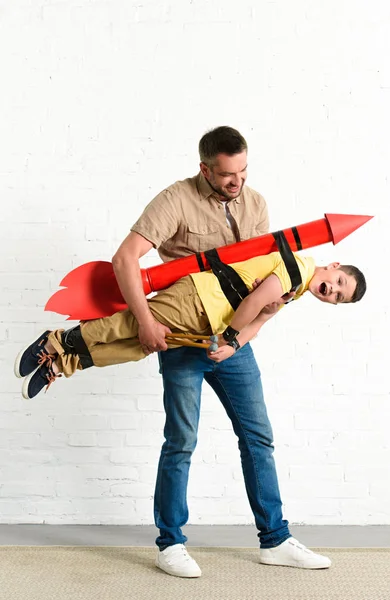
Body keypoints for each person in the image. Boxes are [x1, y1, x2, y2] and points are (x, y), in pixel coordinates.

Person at [25, 126, 350, 577]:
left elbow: (262, 281)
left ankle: (274, 539)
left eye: (243, 171)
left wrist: (249, 328)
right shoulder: (175, 199)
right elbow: (126, 259)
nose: (237, 182)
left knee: (258, 437)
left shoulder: (254, 203)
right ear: (205, 169)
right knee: (181, 440)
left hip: (230, 340)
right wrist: (145, 319)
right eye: (227, 175)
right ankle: (171, 543)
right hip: (183, 318)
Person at [15, 252, 366, 398]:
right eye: (338, 283)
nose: (332, 290)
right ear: (333, 266)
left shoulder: (298, 291)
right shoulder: (299, 268)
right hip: (198, 299)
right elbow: (255, 302)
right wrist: (228, 335)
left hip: (205, 323)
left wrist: (234, 345)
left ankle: (64, 362)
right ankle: (56, 342)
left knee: (140, 348)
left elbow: (260, 319)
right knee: (127, 325)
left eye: (338, 297)